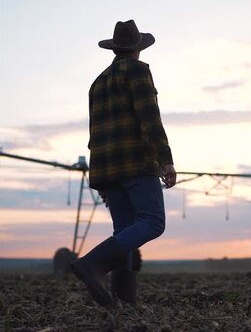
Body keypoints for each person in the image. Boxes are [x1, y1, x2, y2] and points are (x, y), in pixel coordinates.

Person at [71, 20, 176, 306]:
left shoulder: (97, 83)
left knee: (126, 231)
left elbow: (95, 133)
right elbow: (149, 118)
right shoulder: (138, 71)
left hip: (107, 168)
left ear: (115, 49)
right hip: (136, 163)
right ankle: (91, 264)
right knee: (153, 222)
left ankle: (124, 301)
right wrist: (165, 160)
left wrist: (102, 178)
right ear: (138, 49)